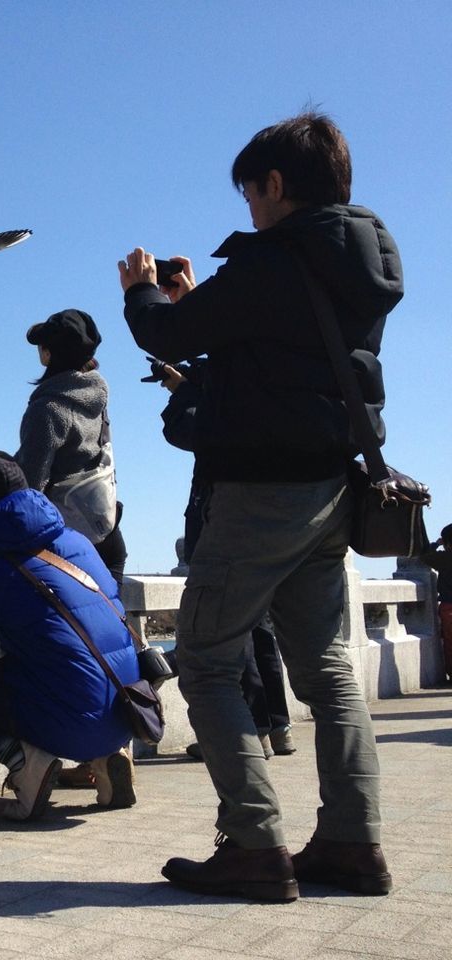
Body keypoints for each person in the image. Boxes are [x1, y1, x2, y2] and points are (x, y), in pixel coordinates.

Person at [119, 112, 402, 901]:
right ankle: (353, 843)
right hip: (328, 487)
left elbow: (168, 334)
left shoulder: (273, 260)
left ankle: (253, 846)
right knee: (329, 672)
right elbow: (278, 343)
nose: (247, 209)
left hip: (257, 492)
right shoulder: (359, 258)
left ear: (276, 185)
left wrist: (143, 292)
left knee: (207, 664)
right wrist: (208, 299)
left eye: (250, 193)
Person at [0, 455, 140, 818]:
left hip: (72, 724)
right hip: (126, 713)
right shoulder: (77, 543)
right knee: (37, 668)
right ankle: (108, 757)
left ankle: (28, 764)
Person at [156, 359, 297, 759]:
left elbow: (193, 431)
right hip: (272, 522)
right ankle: (275, 726)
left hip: (227, 519)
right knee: (259, 628)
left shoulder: (234, 394)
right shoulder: (274, 381)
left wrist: (184, 392)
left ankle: (248, 733)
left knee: (230, 631)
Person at [14, 308, 127, 585]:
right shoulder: (97, 397)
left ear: (47, 354)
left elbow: (32, 486)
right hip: (107, 531)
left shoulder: (48, 409)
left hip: (68, 537)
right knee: (108, 621)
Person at [419, 524, 452, 683]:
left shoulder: (445, 558)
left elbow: (423, 555)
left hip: (449, 606)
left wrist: (436, 544)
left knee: (450, 641)